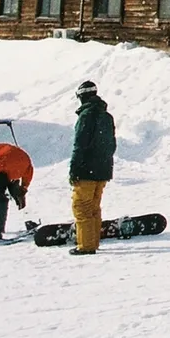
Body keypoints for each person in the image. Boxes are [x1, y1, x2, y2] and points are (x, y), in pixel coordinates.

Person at [68, 80, 115, 255]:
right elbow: (111, 145)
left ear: (82, 96)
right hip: (103, 170)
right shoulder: (107, 116)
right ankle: (93, 241)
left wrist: (74, 169)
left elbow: (79, 145)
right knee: (94, 207)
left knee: (81, 207)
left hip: (86, 170)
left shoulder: (86, 116)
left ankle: (86, 246)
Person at [0, 140, 33, 241]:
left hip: (5, 162)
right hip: (23, 161)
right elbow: (29, 170)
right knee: (9, 179)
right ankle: (18, 193)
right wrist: (24, 187)